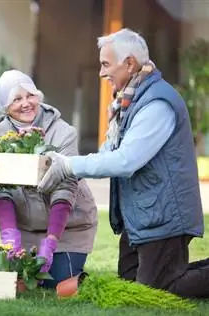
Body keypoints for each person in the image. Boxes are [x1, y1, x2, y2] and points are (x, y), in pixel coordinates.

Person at [38, 28, 209, 298]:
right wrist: (71, 164)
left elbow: (126, 161)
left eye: (106, 64)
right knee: (129, 280)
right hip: (142, 214)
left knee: (156, 291)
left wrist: (69, 166)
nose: (101, 73)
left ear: (129, 63)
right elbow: (109, 151)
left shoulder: (157, 103)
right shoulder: (128, 102)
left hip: (164, 215)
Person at [0, 70, 98, 288]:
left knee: (58, 283)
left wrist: (52, 240)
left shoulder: (64, 133)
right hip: (25, 230)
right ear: (5, 107)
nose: (26, 103)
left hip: (68, 228)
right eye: (17, 99)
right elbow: (0, 189)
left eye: (30, 95)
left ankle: (71, 267)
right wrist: (9, 237)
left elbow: (66, 187)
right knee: (24, 283)